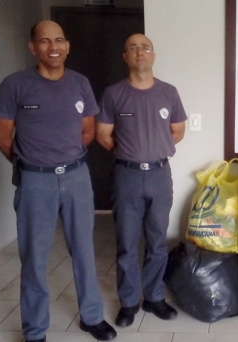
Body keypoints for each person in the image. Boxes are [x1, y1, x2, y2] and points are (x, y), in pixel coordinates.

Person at [0, 21, 117, 342]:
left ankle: (92, 317)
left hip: (76, 178)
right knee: (34, 257)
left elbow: (88, 130)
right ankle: (35, 331)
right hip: (35, 182)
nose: (53, 47)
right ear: (33, 47)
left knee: (83, 250)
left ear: (67, 45)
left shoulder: (80, 83)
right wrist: (32, 163)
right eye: (45, 41)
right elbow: (2, 137)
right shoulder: (15, 84)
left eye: (59, 40)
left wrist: (66, 157)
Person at [96, 33, 187, 327]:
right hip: (127, 177)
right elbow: (103, 135)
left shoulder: (169, 93)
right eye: (132, 48)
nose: (139, 52)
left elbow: (177, 131)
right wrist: (129, 154)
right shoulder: (113, 94)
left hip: (160, 175)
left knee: (158, 241)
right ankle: (129, 302)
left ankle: (154, 297)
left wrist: (153, 153)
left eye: (144, 47)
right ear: (126, 57)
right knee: (126, 242)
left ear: (153, 55)